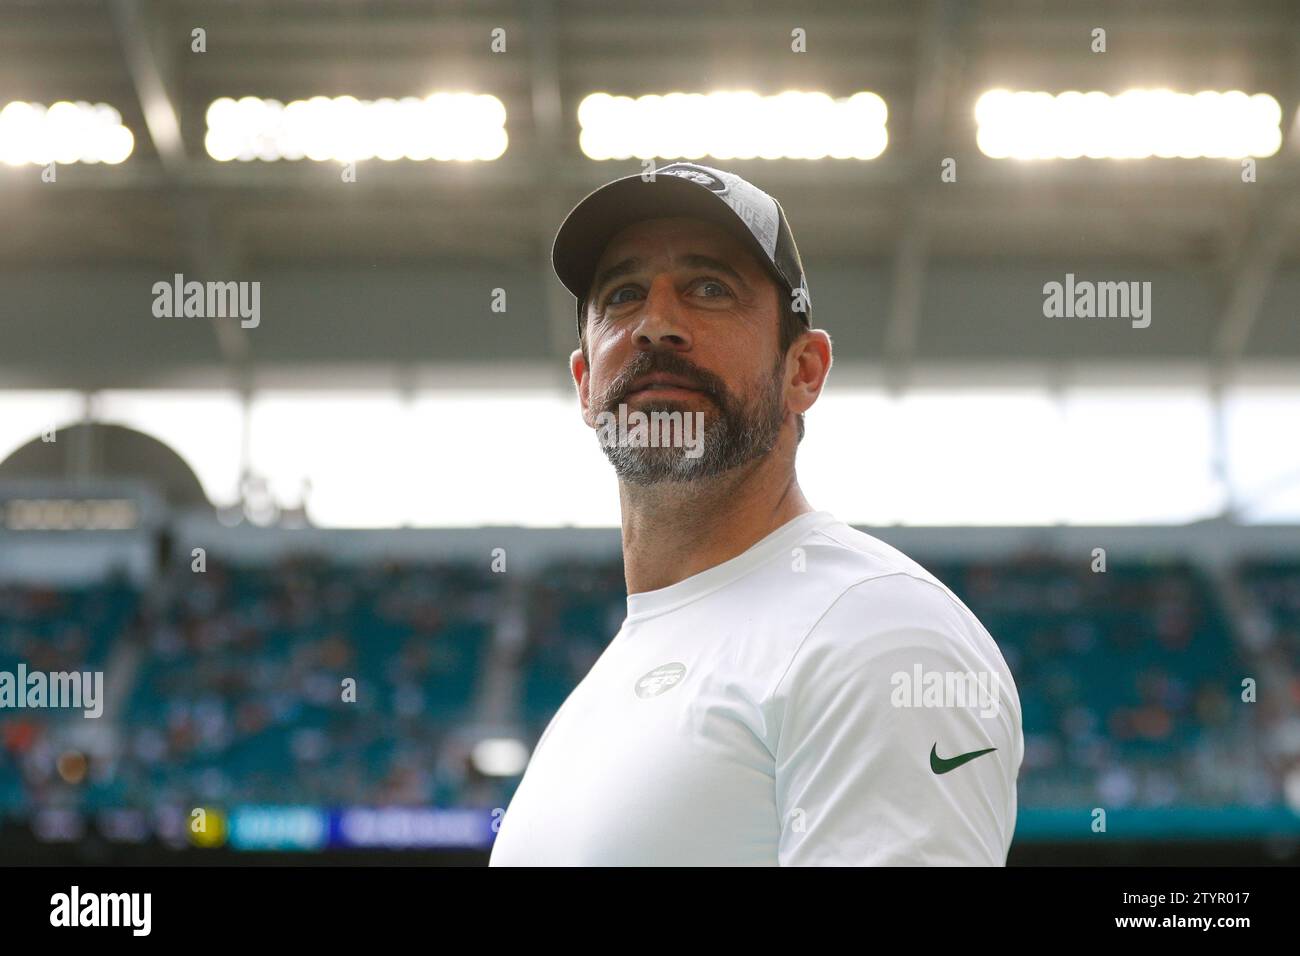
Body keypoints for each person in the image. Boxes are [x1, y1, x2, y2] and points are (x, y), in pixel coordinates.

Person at [490, 162, 1022, 865]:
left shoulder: (879, 631)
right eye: (621, 295)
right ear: (586, 385)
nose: (656, 326)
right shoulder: (606, 686)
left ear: (804, 370)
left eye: (709, 288)